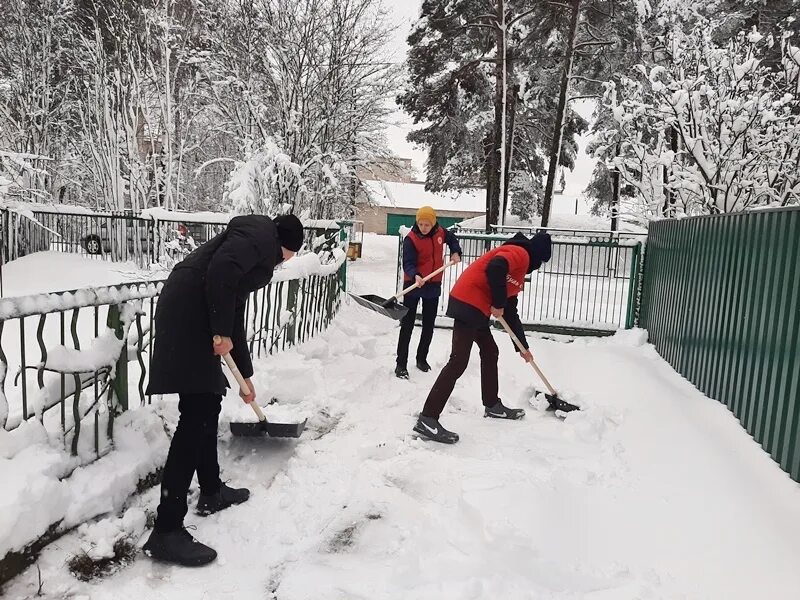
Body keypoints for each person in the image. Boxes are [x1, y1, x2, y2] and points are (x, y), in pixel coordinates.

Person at [142, 213, 304, 566]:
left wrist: (244, 376)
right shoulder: (260, 238)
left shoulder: (256, 246)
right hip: (190, 313)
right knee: (197, 413)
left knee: (207, 404)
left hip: (195, 309)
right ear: (287, 246)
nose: (285, 262)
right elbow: (219, 275)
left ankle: (211, 491)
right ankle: (167, 530)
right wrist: (219, 328)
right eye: (290, 255)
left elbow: (232, 313)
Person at [413, 232, 552, 444]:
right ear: (538, 255)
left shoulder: (519, 268)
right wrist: (498, 302)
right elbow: (496, 267)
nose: (538, 266)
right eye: (541, 261)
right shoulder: (521, 253)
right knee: (458, 361)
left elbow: (510, 311)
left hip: (475, 308)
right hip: (468, 302)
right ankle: (428, 418)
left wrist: (522, 346)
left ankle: (492, 405)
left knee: (490, 351)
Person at [395, 206, 462, 379]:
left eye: (427, 224)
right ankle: (401, 364)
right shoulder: (411, 239)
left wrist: (455, 251)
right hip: (414, 283)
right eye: (421, 223)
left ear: (433, 224)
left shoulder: (440, 232)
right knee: (407, 325)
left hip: (433, 285)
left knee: (428, 325)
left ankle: (421, 359)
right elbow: (408, 262)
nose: (424, 227)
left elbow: (452, 239)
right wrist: (415, 275)